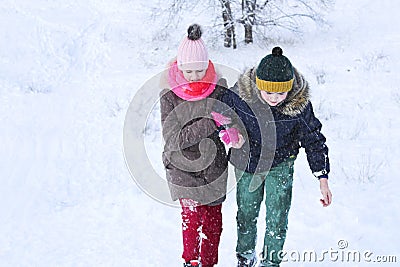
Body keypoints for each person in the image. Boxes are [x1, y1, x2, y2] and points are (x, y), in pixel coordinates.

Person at [213, 47, 332, 267]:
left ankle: (271, 262)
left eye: (280, 94)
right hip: (248, 162)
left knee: (277, 218)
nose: (274, 99)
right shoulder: (241, 94)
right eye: (269, 93)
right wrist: (231, 133)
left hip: (281, 164)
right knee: (247, 212)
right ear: (258, 86)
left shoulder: (299, 105)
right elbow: (220, 111)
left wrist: (322, 177)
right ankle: (245, 257)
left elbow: (313, 138)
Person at [159, 24, 229, 267]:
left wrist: (234, 131)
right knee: (192, 217)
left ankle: (208, 263)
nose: (194, 76)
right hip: (181, 166)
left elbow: (231, 120)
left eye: (199, 70)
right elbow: (173, 138)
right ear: (179, 67)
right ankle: (191, 262)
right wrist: (210, 122)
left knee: (213, 222)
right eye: (188, 71)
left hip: (214, 165)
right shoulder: (169, 93)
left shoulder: (219, 87)